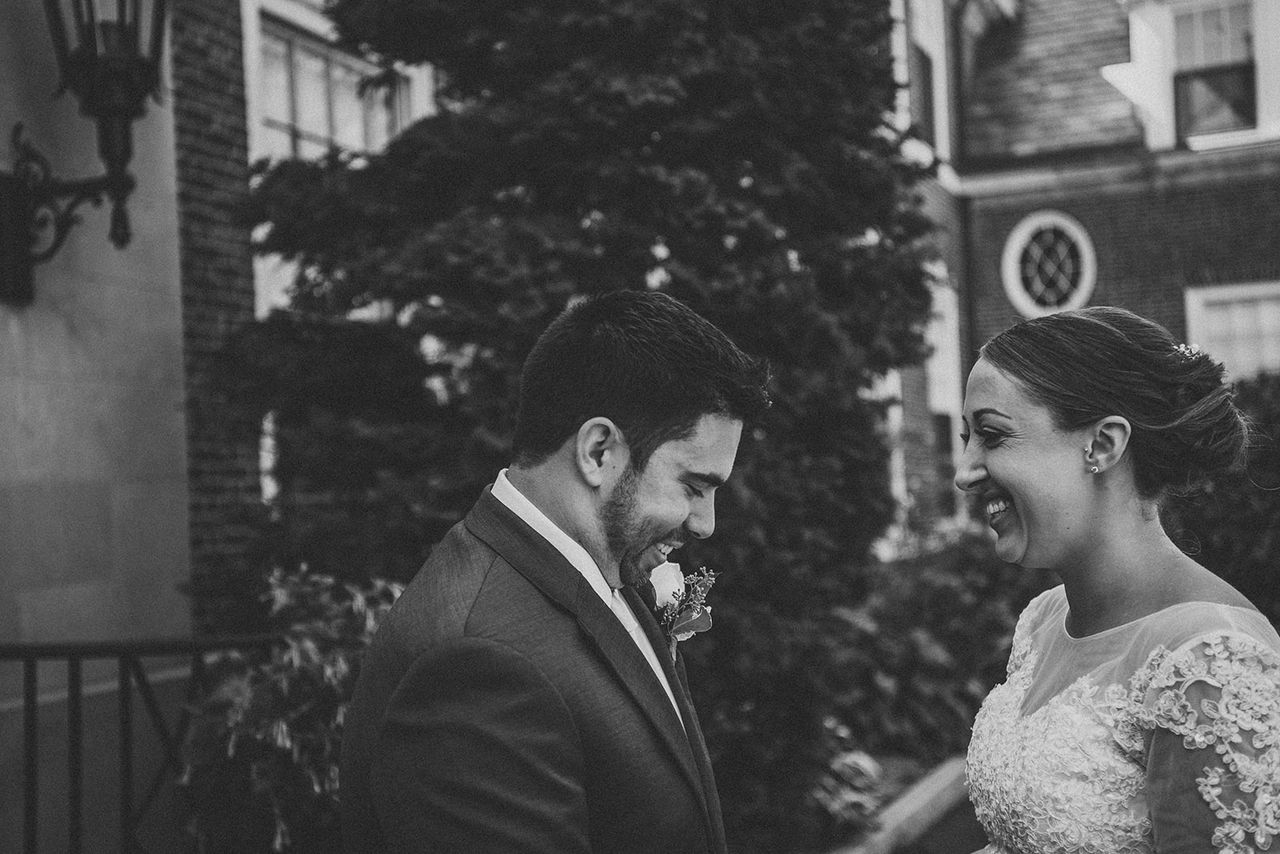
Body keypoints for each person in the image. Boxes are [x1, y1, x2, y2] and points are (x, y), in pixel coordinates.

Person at [340, 289, 770, 854]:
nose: (706, 524)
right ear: (597, 451)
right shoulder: (478, 663)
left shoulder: (603, 567)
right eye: (693, 487)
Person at [956, 306, 1280, 854]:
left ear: (1103, 445)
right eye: (967, 437)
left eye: (991, 436)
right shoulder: (1045, 617)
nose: (964, 472)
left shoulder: (1210, 662)